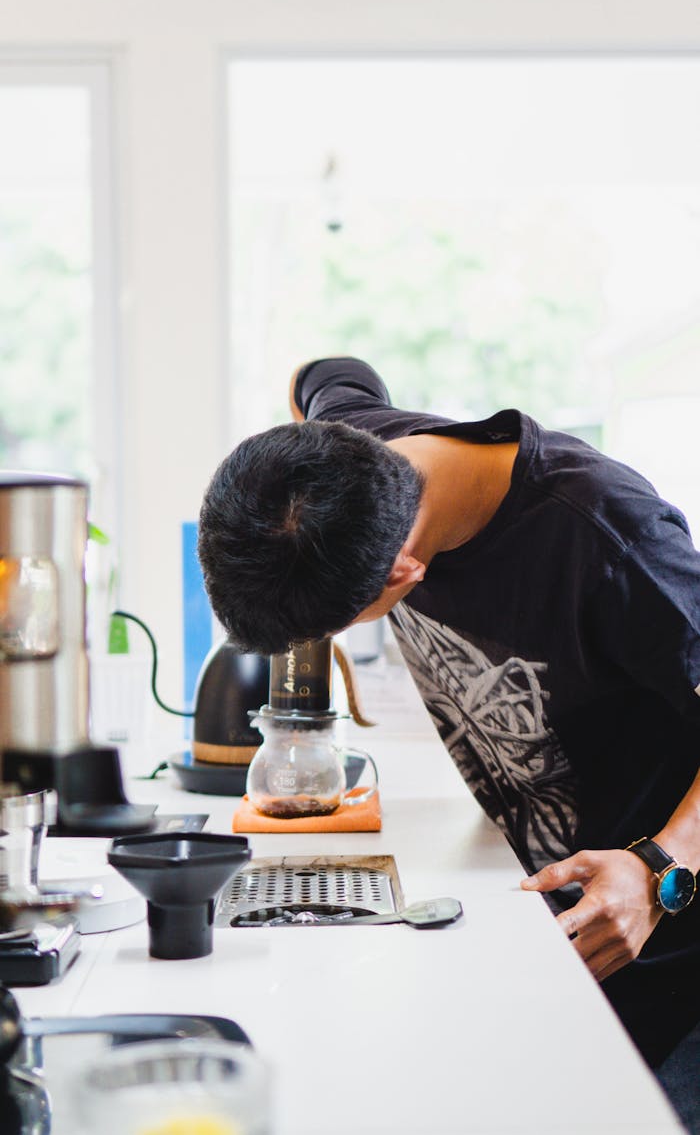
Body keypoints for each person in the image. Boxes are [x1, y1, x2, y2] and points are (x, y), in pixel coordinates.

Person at [198, 355, 700, 1130]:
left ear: (404, 573)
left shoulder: (610, 537)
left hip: (665, 934)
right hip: (553, 914)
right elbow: (326, 371)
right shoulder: (355, 456)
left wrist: (659, 867)